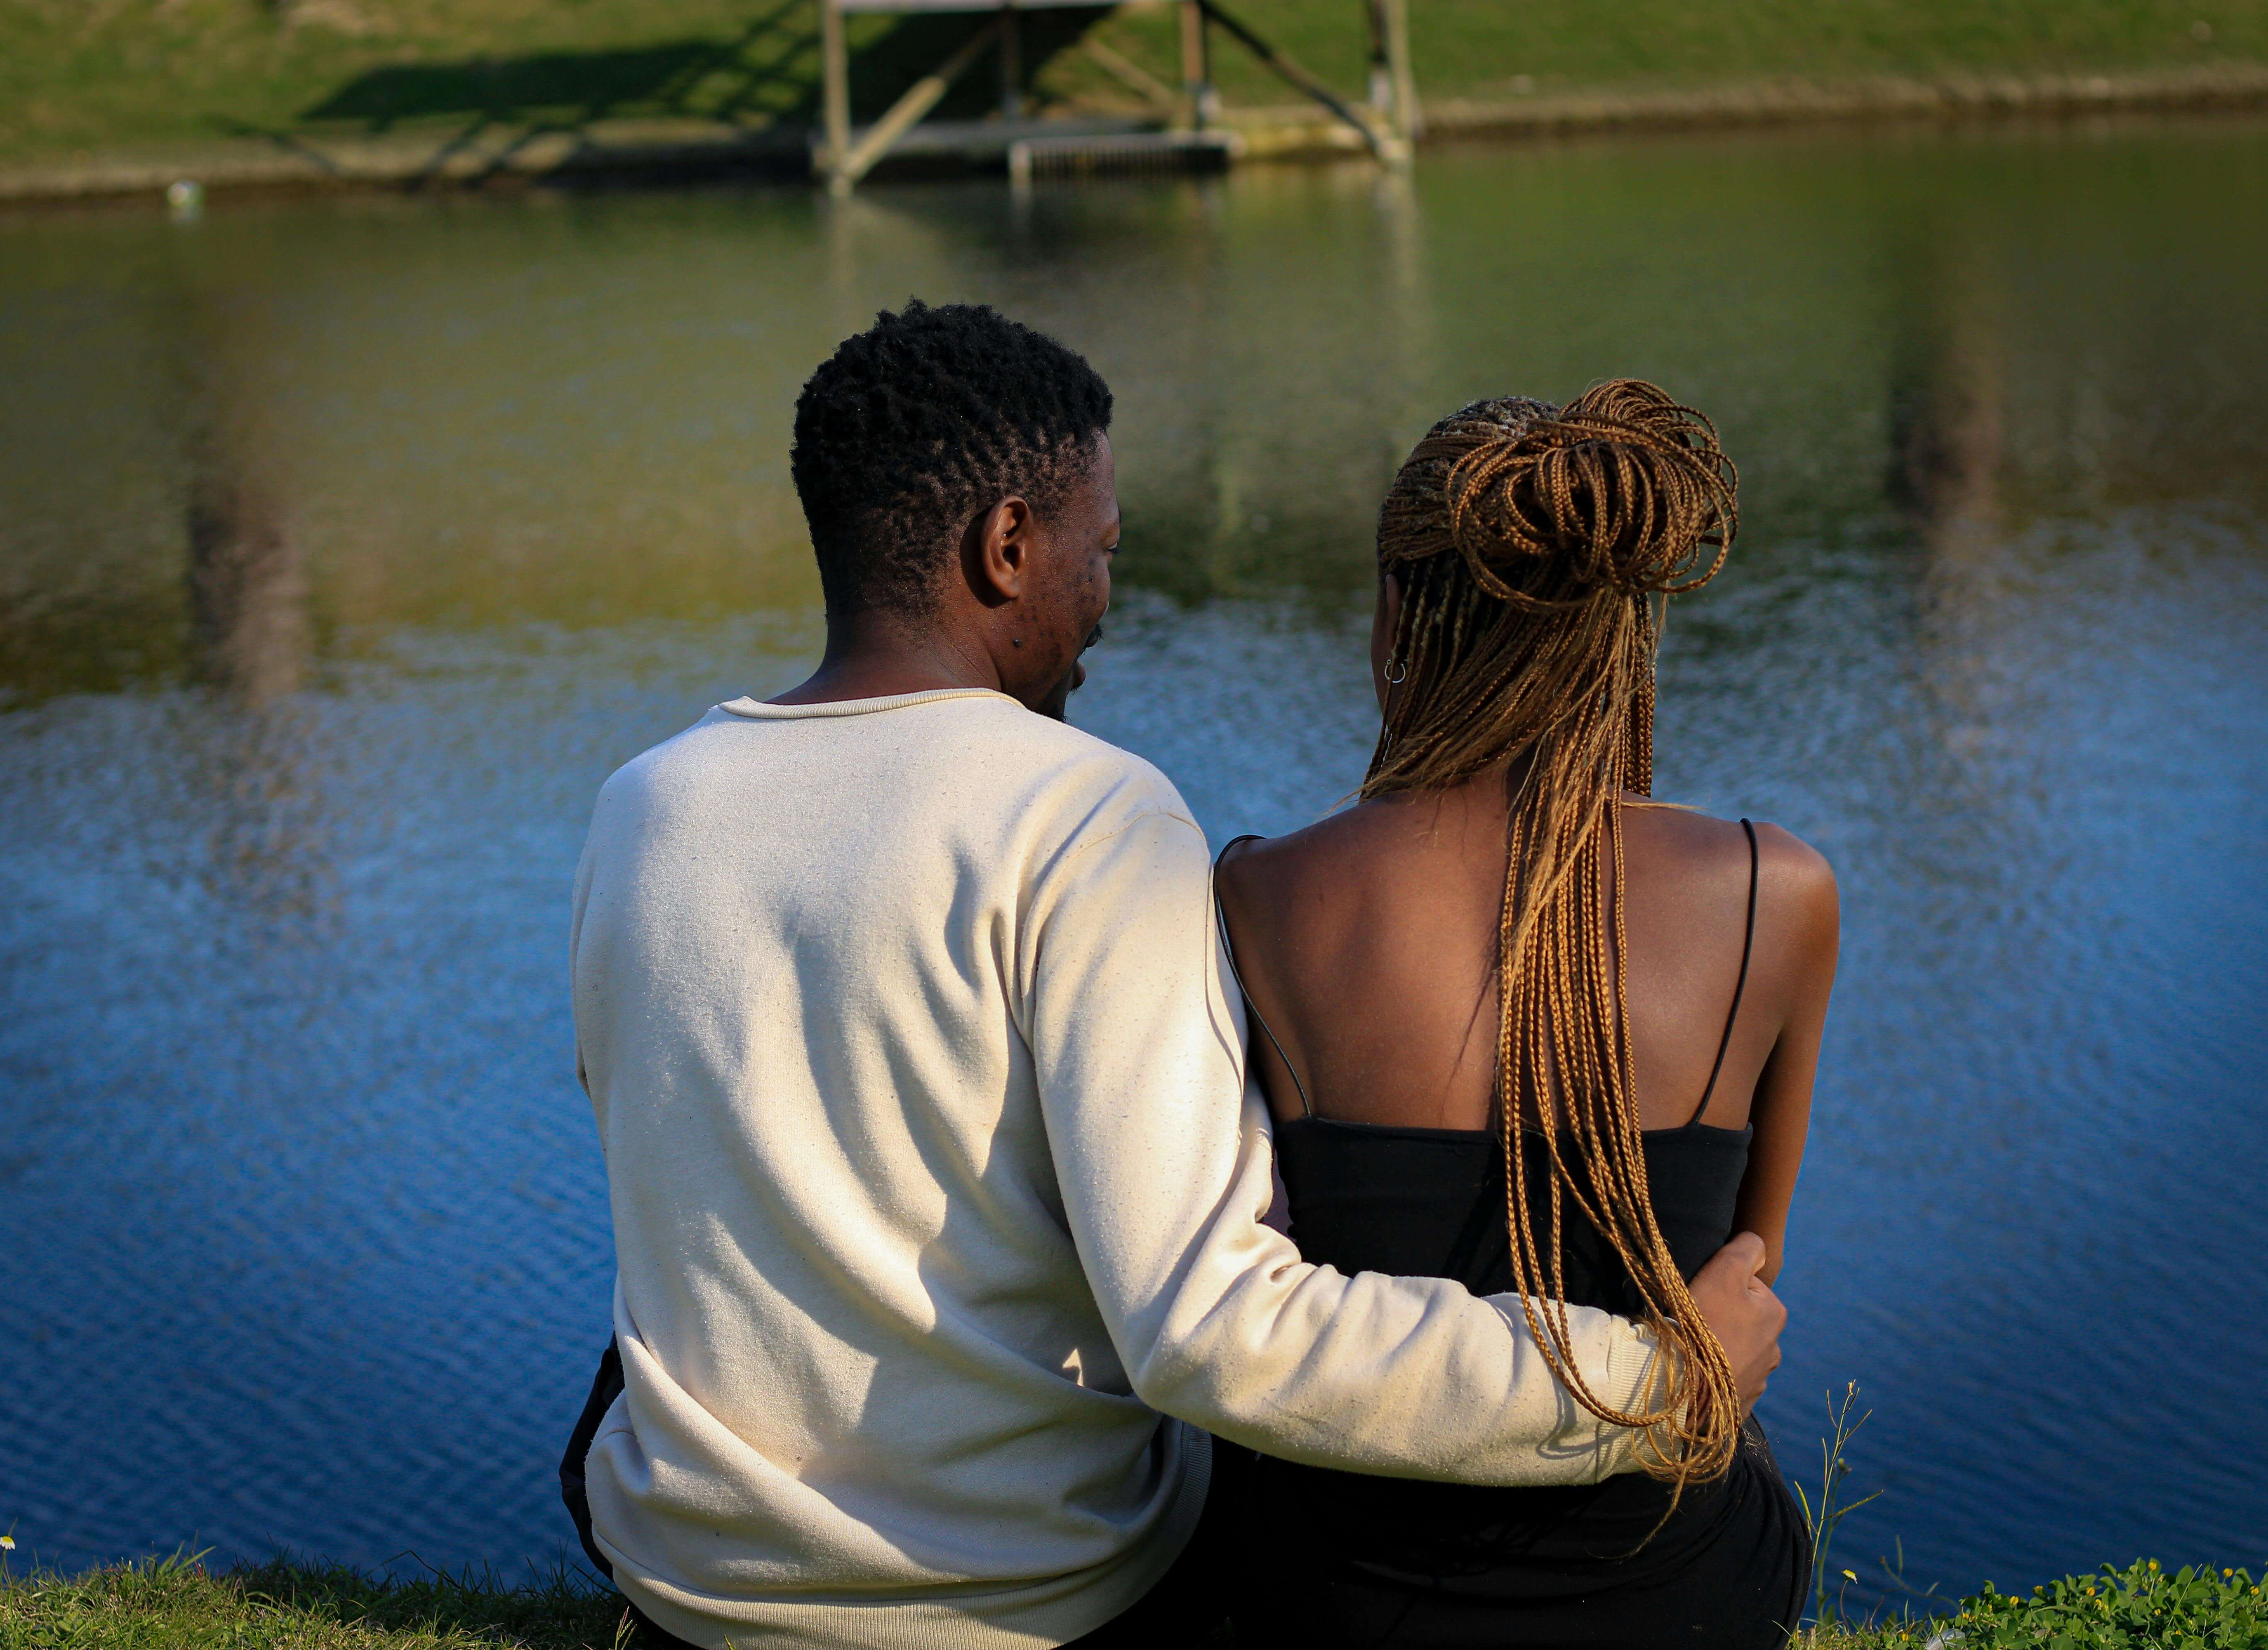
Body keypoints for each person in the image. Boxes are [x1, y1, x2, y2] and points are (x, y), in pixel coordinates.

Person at [561, 304, 1790, 1650]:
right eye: (1101, 554)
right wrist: (1651, 1377)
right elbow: (1211, 1333)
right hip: (1031, 1599)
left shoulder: (645, 806)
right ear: (1006, 548)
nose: (1105, 604)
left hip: (695, 1584)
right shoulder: (1085, 815)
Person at [1213, 385, 1839, 1648]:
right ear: (1629, 630)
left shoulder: (1258, 893)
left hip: (1343, 1594)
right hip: (1681, 1588)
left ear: (1399, 610)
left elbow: (1249, 1284)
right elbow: (1751, 1288)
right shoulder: (1780, 889)